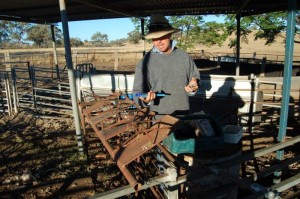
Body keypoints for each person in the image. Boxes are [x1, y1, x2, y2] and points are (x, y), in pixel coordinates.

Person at [132, 14, 200, 119]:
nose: (159, 41)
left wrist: (194, 85)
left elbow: (194, 78)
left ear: (169, 35)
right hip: (159, 120)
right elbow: (137, 93)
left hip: (183, 115)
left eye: (162, 36)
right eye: (155, 38)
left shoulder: (184, 56)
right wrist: (145, 100)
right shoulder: (144, 62)